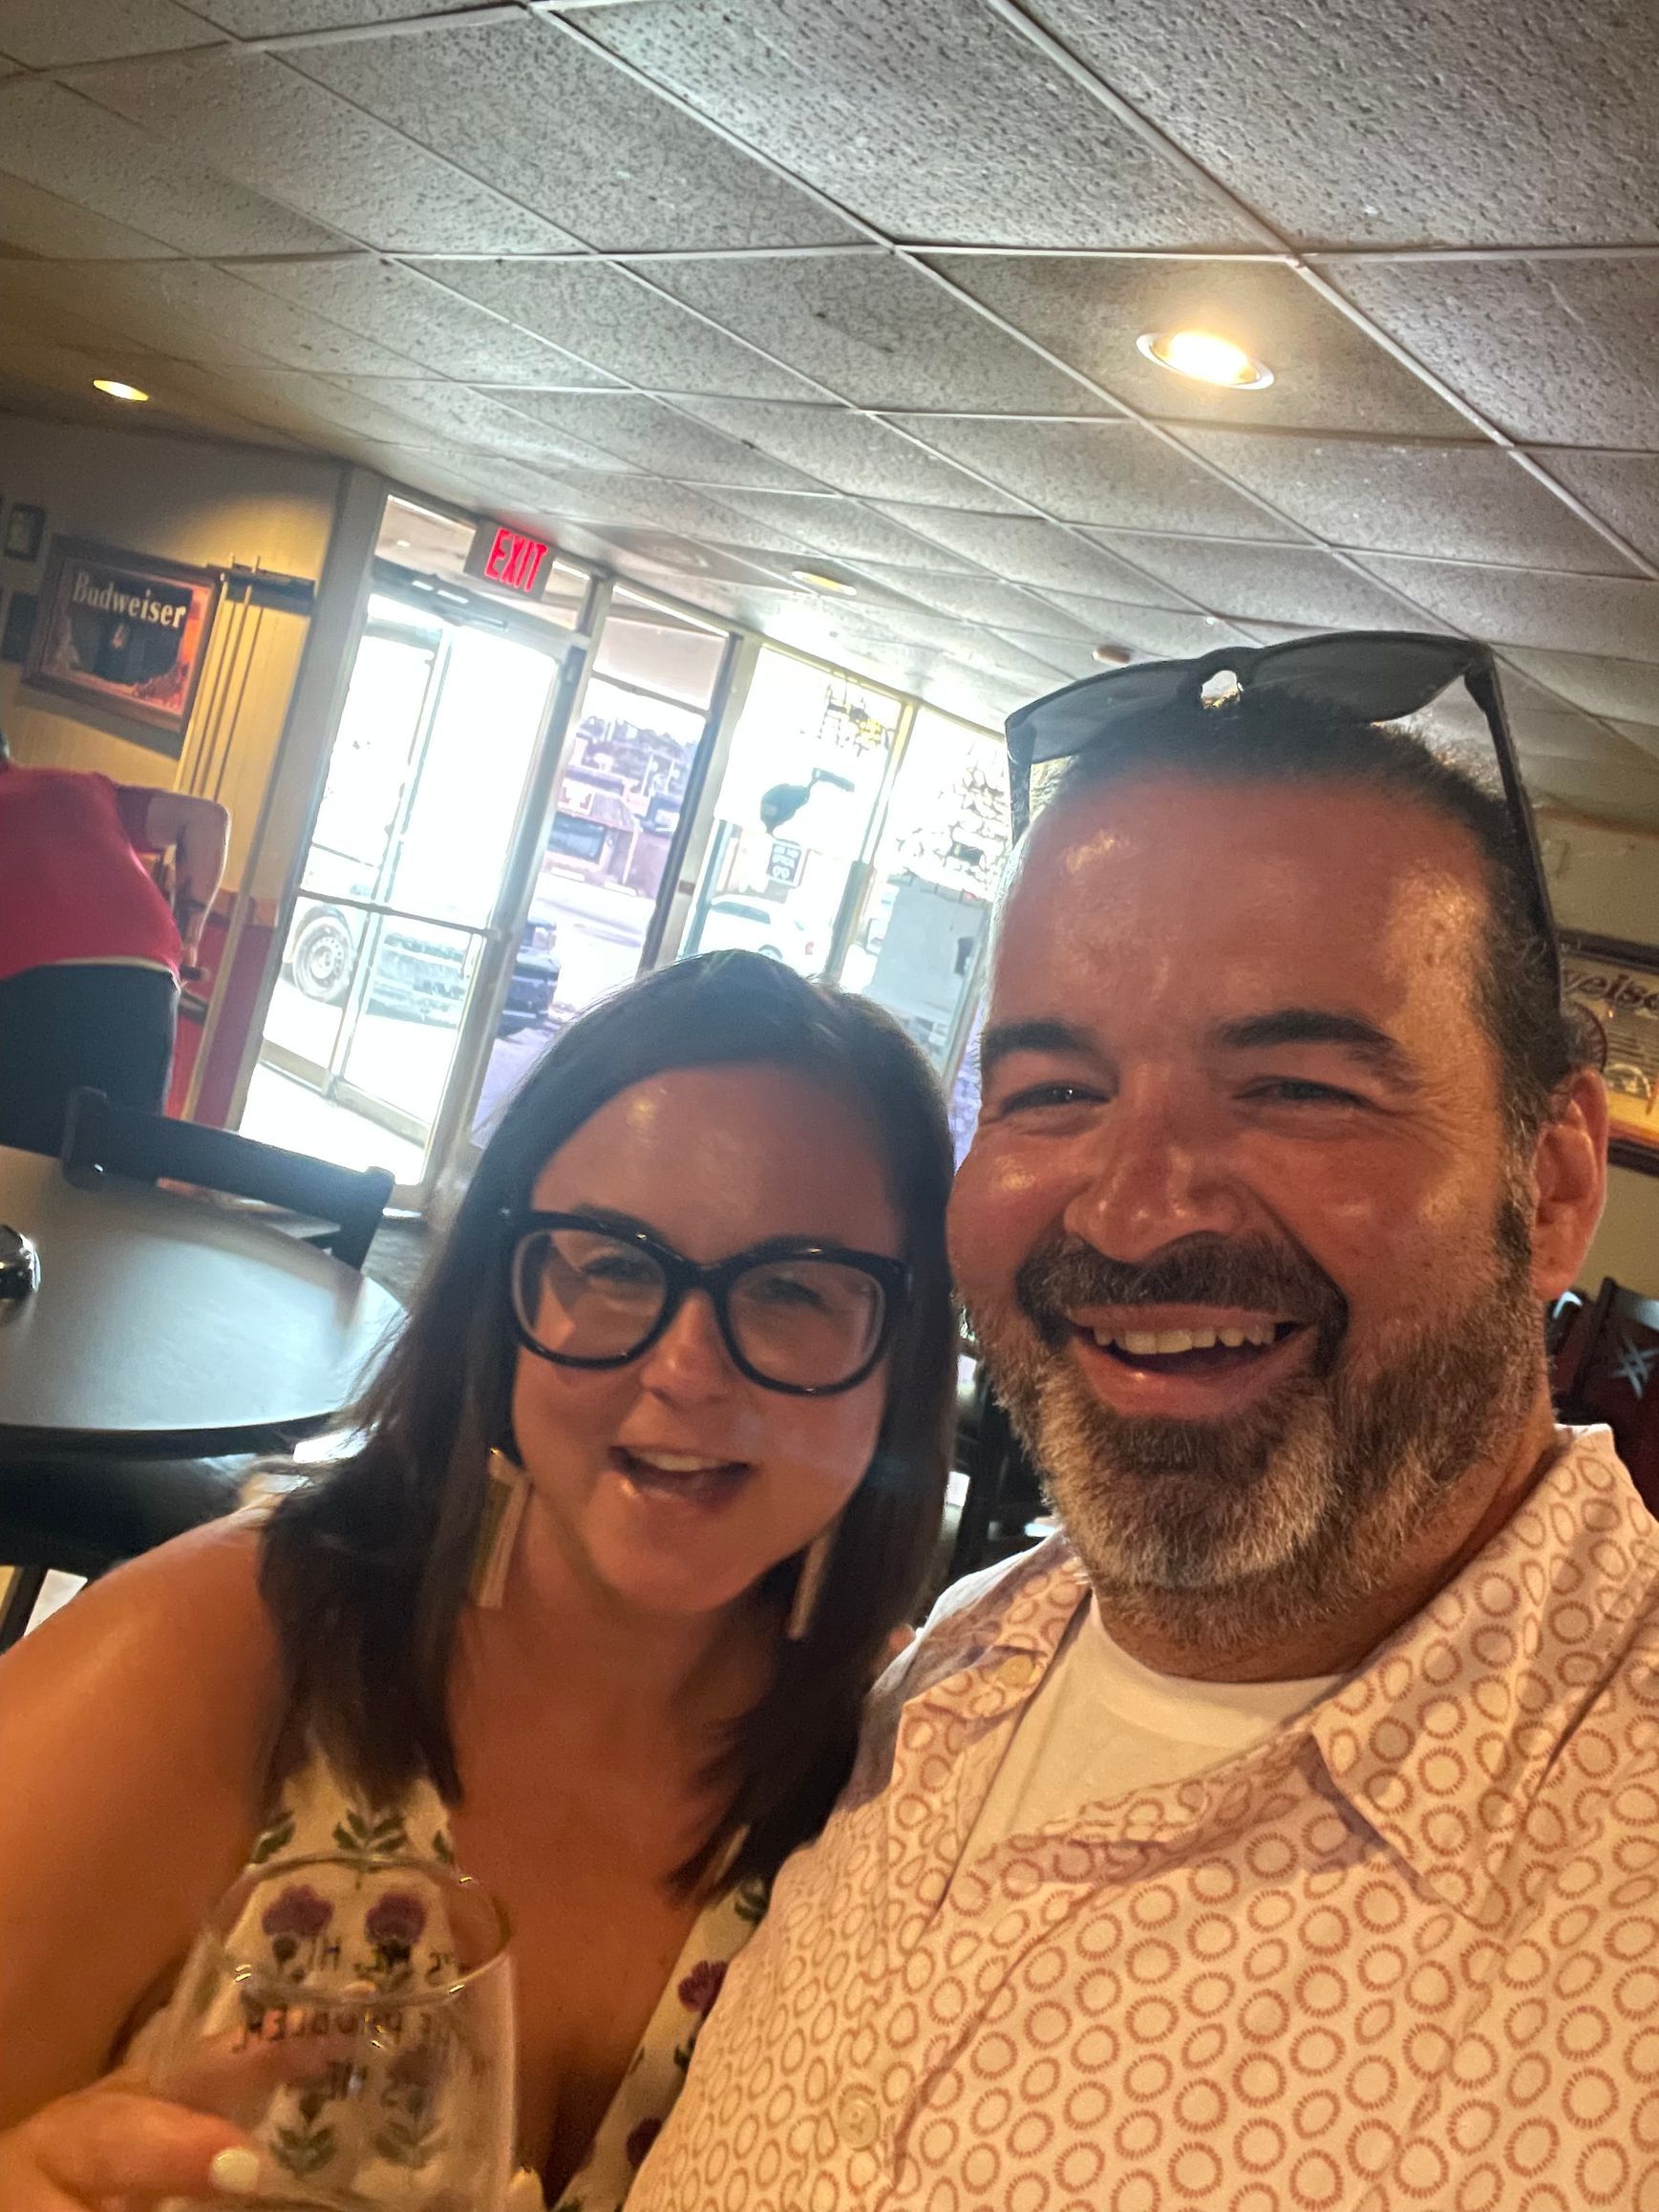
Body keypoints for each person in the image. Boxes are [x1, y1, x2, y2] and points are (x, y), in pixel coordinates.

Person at [630, 650, 1659, 2210]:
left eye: (1298, 1087)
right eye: (1051, 1092)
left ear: (1555, 1183)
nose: (1131, 1203)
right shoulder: (948, 1668)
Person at [0, 950, 957, 2209]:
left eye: (790, 1290)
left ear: (904, 1360)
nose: (684, 1368)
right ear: (501, 1300)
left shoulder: (904, 1789)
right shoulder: (227, 1655)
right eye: (612, 1263)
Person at [0, 723, 229, 1154]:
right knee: (121, 1165)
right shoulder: (80, 786)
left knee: (17, 1170)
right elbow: (208, 820)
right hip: (147, 980)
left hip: (28, 981)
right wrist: (189, 937)